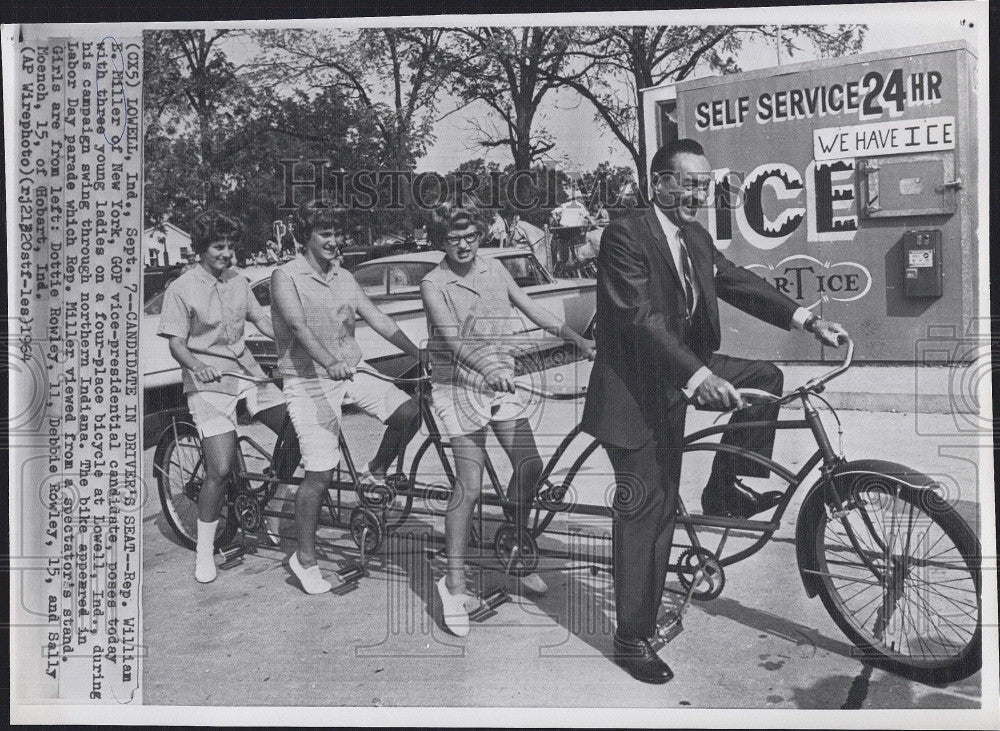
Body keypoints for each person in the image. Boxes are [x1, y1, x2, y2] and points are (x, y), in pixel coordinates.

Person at [580, 138, 847, 684]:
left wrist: (806, 321)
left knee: (765, 378)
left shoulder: (695, 237)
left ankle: (727, 488)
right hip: (633, 393)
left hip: (677, 369)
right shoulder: (626, 235)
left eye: (706, 186)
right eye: (689, 184)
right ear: (660, 184)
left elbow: (739, 283)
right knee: (648, 512)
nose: (699, 196)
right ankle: (631, 637)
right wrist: (700, 377)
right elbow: (638, 319)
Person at [420, 198, 596, 637]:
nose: (464, 245)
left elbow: (530, 307)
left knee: (530, 466)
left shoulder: (493, 268)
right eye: (454, 238)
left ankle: (516, 551)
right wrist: (488, 369)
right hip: (457, 384)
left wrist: (575, 337)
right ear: (440, 240)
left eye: (471, 236)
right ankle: (454, 583)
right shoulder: (433, 283)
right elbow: (454, 341)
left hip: (498, 379)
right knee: (471, 485)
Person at [270, 200, 422, 595]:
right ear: (307, 237)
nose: (334, 241)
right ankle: (304, 560)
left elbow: (380, 319)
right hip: (307, 379)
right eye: (326, 234)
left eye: (337, 234)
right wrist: (327, 361)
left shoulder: (343, 276)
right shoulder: (285, 276)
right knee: (320, 472)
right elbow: (299, 327)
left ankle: (376, 469)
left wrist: (419, 353)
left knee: (409, 411)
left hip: (349, 371)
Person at [157, 210, 290, 584]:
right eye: (219, 246)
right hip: (208, 382)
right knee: (217, 468)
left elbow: (261, 321)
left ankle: (273, 507)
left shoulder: (238, 281)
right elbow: (176, 344)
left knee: (295, 429)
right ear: (201, 249)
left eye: (231, 246)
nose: (227, 253)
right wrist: (197, 366)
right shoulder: (181, 288)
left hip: (246, 372)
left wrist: (290, 339)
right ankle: (204, 550)